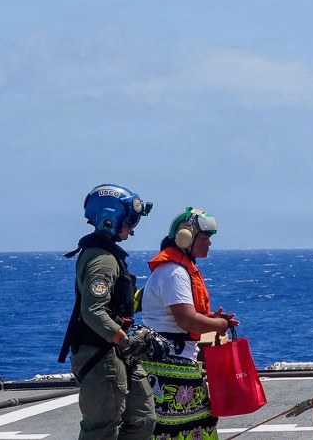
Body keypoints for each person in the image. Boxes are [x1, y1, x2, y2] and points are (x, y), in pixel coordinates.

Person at [58, 183, 156, 440]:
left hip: (116, 352)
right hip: (101, 355)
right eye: (130, 220)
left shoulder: (108, 255)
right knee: (102, 429)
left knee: (142, 419)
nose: (132, 227)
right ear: (110, 219)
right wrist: (125, 340)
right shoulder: (102, 260)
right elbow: (93, 310)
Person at [138, 207, 240, 440]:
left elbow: (181, 315)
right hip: (172, 368)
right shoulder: (174, 272)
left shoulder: (174, 269)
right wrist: (219, 326)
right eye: (205, 238)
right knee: (191, 427)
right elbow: (187, 320)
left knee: (187, 427)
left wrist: (212, 319)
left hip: (171, 363)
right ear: (186, 237)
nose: (209, 244)